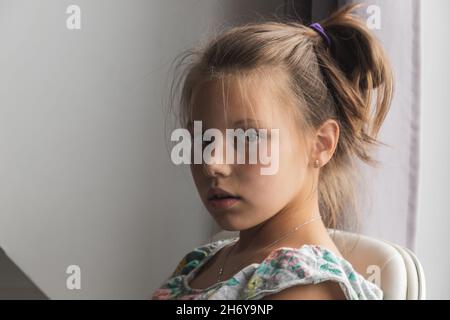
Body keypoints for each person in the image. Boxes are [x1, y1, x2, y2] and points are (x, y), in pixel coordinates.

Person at [152, 3, 393, 300]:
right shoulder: (201, 264)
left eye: (248, 138)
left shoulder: (305, 288)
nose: (213, 163)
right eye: (203, 139)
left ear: (321, 144)